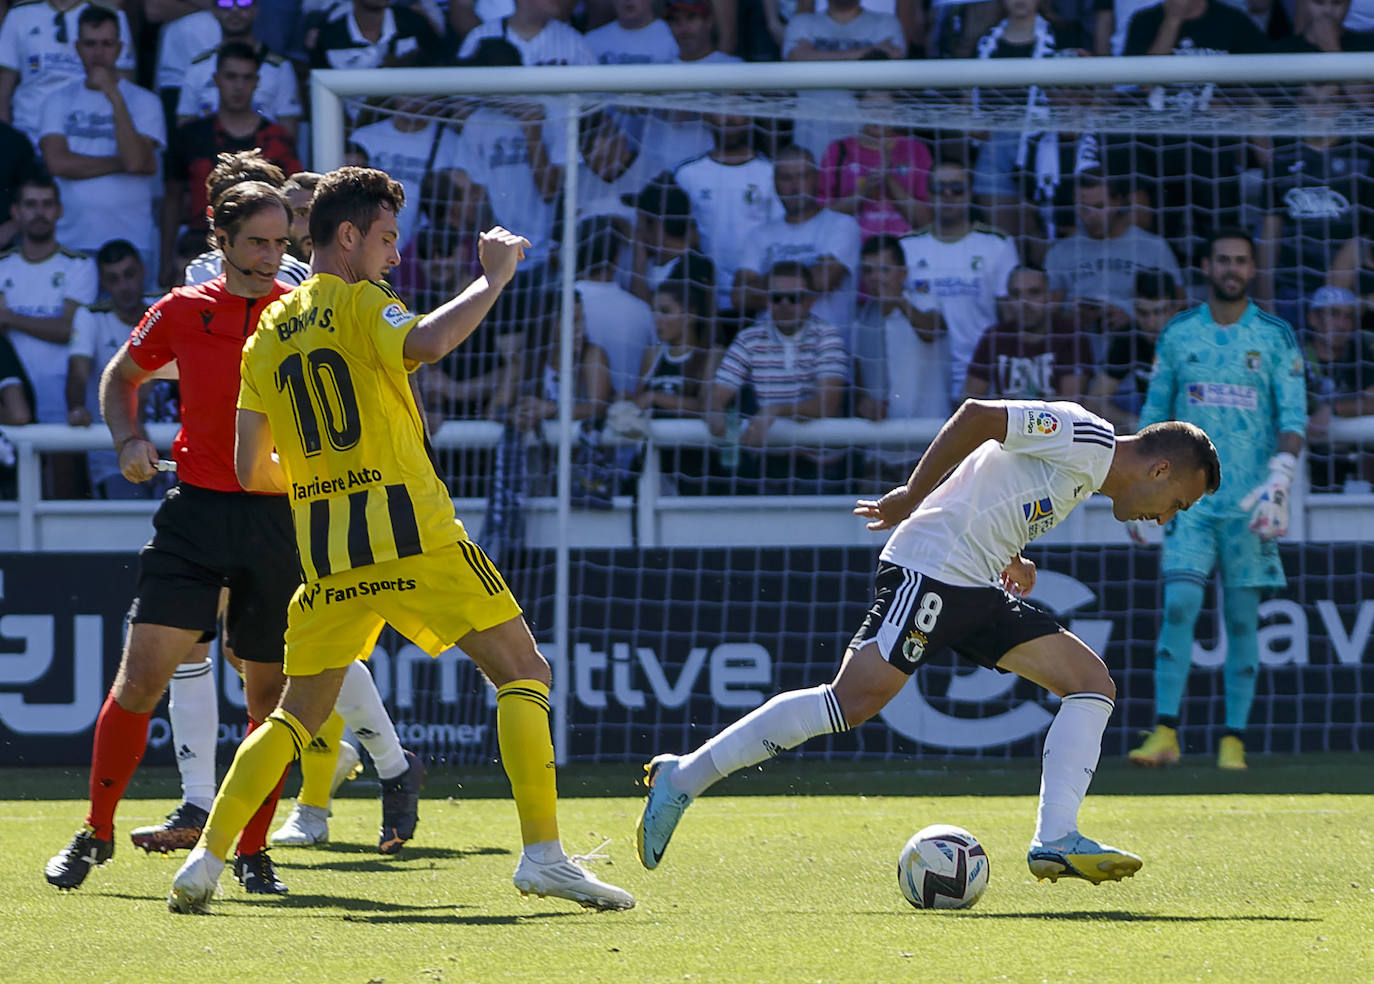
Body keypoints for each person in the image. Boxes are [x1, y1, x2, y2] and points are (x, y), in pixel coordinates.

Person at [167, 166, 634, 914]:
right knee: (525, 670)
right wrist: (493, 278)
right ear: (346, 236)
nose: (392, 255)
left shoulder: (267, 331)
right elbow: (427, 341)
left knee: (294, 716)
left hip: (327, 553)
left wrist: (326, 480)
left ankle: (205, 860)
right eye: (385, 238)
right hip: (412, 533)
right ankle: (544, 855)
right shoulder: (357, 301)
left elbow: (251, 468)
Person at [637, 397, 1220, 887]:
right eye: (1178, 504)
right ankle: (682, 777)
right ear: (1160, 470)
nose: (1167, 518)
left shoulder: (1087, 471)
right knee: (850, 703)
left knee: (1091, 683)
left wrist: (1012, 555)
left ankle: (1055, 838)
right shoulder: (1086, 436)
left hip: (976, 583)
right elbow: (978, 417)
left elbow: (996, 479)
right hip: (932, 569)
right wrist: (910, 496)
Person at [43, 181, 302, 894]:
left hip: (278, 520)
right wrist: (127, 437)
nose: (271, 255)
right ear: (220, 239)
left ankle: (253, 853)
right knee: (140, 680)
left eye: (281, 242)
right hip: (194, 516)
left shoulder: (301, 312)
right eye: (258, 241)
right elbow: (120, 377)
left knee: (268, 702)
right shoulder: (183, 311)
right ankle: (95, 833)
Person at [1127, 228, 1307, 771]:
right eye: (1223, 259)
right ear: (1207, 264)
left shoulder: (1275, 336)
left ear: (1252, 268)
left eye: (1242, 260)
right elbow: (1152, 417)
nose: (1232, 268)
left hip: (1251, 502)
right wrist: (1139, 487)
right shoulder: (1180, 334)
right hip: (1188, 501)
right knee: (1179, 606)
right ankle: (1164, 732)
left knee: (1244, 619)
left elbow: (1293, 420)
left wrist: (1279, 481)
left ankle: (1234, 740)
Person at [160, 43, 301, 287]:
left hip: (262, 250)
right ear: (216, 79)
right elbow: (172, 199)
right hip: (196, 246)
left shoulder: (278, 139)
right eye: (231, 76)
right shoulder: (190, 136)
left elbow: (293, 202)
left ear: (257, 81)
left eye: (246, 78)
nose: (238, 86)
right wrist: (165, 259)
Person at [38, 5, 164, 266]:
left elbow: (136, 162)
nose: (98, 53)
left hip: (132, 240)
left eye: (107, 44)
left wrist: (114, 95)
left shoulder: (145, 101)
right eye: (90, 44)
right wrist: (121, 164)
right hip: (71, 240)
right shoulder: (56, 100)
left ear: (119, 48)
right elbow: (57, 163)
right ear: (78, 48)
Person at [899, 159, 1020, 398]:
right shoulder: (907, 247)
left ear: (970, 193)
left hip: (983, 373)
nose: (947, 195)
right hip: (924, 376)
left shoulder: (998, 243)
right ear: (928, 193)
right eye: (938, 188)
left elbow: (1011, 316)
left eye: (956, 188)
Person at [65, 240, 160, 500]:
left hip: (174, 449)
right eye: (114, 279)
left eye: (129, 275)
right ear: (104, 284)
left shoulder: (165, 306)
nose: (124, 287)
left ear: (142, 271)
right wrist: (76, 407)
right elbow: (78, 373)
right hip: (115, 455)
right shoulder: (90, 317)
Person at [962, 265, 1092, 403]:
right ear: (1008, 300)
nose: (1024, 303)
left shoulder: (1070, 335)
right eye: (1016, 294)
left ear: (1050, 296)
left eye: (1034, 292)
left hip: (1054, 423)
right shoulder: (995, 337)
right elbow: (971, 400)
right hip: (1005, 422)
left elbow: (1070, 405)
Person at [1084, 268, 1182, 432]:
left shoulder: (1192, 337)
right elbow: (1094, 402)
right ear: (1134, 309)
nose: (1151, 322)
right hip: (1154, 428)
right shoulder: (1128, 338)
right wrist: (1143, 426)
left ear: (1174, 309)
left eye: (1159, 312)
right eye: (1143, 313)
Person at [1300, 285, 1374, 492]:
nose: (1342, 324)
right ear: (1313, 318)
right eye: (1334, 314)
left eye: (1348, 317)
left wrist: (1333, 408)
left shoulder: (1359, 355)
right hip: (1308, 470)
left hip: (1356, 470)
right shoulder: (1296, 357)